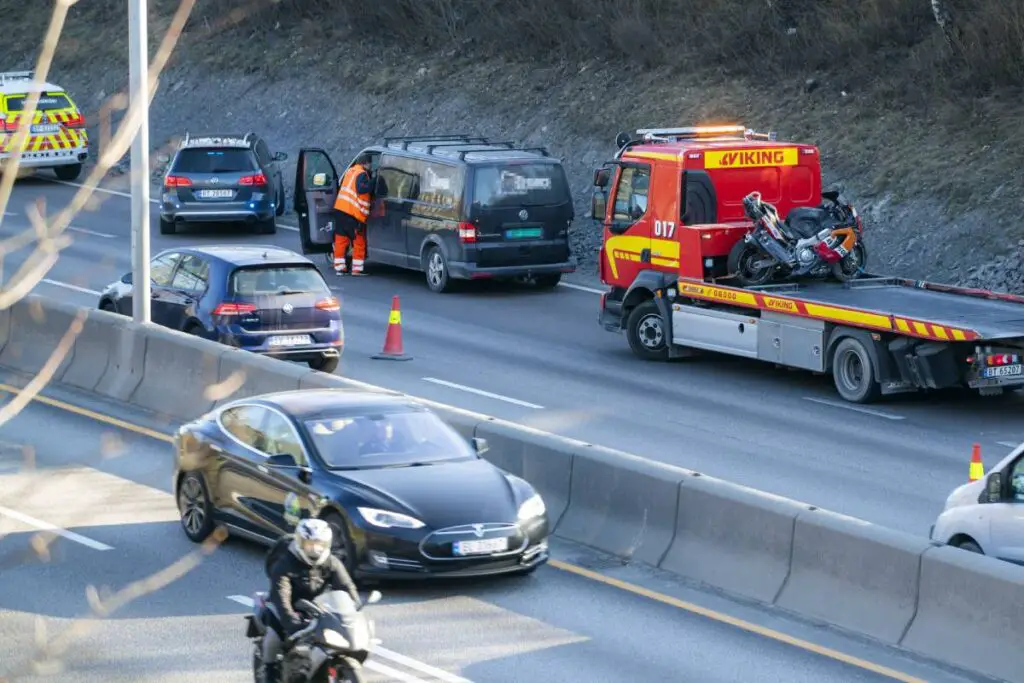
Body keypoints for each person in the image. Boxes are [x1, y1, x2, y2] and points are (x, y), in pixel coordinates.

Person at [261, 518, 360, 683]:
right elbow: (281, 595)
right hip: (287, 606)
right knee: (274, 634)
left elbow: (346, 587)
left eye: (319, 544)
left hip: (317, 606)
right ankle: (269, 671)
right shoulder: (285, 562)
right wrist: (291, 620)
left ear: (326, 544)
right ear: (300, 542)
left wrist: (354, 609)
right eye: (309, 543)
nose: (315, 549)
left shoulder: (331, 562)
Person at [332, 155, 373, 275]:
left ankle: (339, 268)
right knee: (359, 241)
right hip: (352, 213)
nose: (370, 167)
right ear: (366, 163)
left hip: (340, 209)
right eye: (370, 165)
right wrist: (373, 182)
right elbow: (361, 189)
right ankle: (356, 269)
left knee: (340, 240)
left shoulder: (350, 171)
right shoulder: (362, 174)